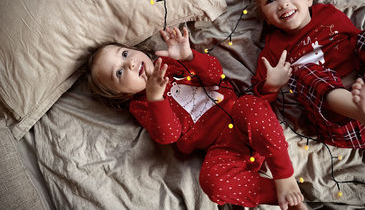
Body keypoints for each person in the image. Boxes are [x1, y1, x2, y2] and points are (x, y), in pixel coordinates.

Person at [86, 26, 307, 210]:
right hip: (223, 147)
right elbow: (169, 135)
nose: (130, 64)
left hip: (243, 118)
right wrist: (155, 98)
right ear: (122, 94)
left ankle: (284, 175)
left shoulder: (171, 62)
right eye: (119, 73)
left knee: (251, 105)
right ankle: (281, 195)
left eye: (124, 54)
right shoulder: (142, 106)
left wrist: (189, 56)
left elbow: (214, 74)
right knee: (212, 183)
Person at [251, 0, 365, 149]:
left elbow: (362, 47)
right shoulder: (274, 47)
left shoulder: (328, 13)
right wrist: (272, 85)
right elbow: (258, 97)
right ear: (266, 18)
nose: (283, 3)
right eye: (271, 0)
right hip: (343, 124)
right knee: (303, 74)